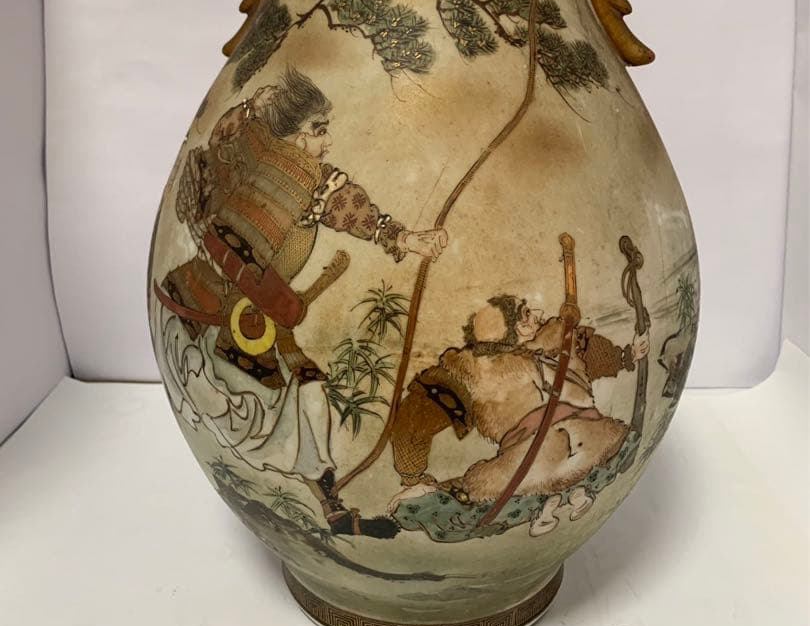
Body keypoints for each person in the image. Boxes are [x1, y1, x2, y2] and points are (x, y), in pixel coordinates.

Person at [158, 67, 447, 537]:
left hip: (253, 320)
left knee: (307, 396)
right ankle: (321, 504)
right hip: (215, 309)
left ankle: (331, 509)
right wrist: (248, 107)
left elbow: (349, 206)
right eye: (318, 129)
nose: (327, 142)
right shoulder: (264, 155)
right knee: (262, 399)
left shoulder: (299, 174)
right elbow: (222, 145)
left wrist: (403, 238)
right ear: (293, 133)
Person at [389, 293, 648, 532]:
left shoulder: (550, 342)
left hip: (540, 461)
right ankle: (561, 499)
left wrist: (627, 356)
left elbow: (411, 425)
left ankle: (550, 502)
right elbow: (415, 421)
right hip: (588, 442)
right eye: (525, 313)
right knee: (486, 484)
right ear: (509, 328)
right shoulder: (475, 372)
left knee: (478, 487)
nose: (536, 314)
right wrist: (412, 476)